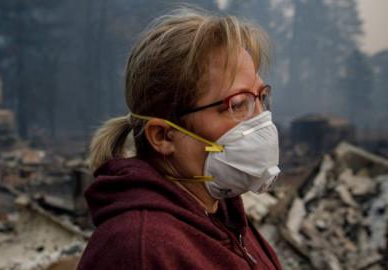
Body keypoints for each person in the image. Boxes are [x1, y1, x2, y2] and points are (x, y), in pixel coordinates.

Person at [77, 8, 282, 270]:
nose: (261, 118)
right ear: (163, 136)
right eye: (238, 103)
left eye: (261, 97)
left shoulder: (226, 216)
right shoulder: (140, 251)